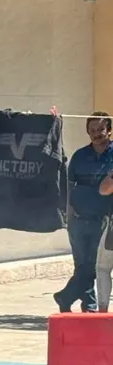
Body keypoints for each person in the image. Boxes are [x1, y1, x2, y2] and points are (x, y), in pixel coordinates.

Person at [57, 112, 113, 312]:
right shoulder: (80, 156)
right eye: (92, 131)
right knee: (82, 265)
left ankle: (65, 297)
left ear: (109, 130)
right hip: (79, 220)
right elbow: (70, 187)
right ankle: (88, 305)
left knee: (94, 267)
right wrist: (68, 217)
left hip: (104, 221)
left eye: (101, 130)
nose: (97, 134)